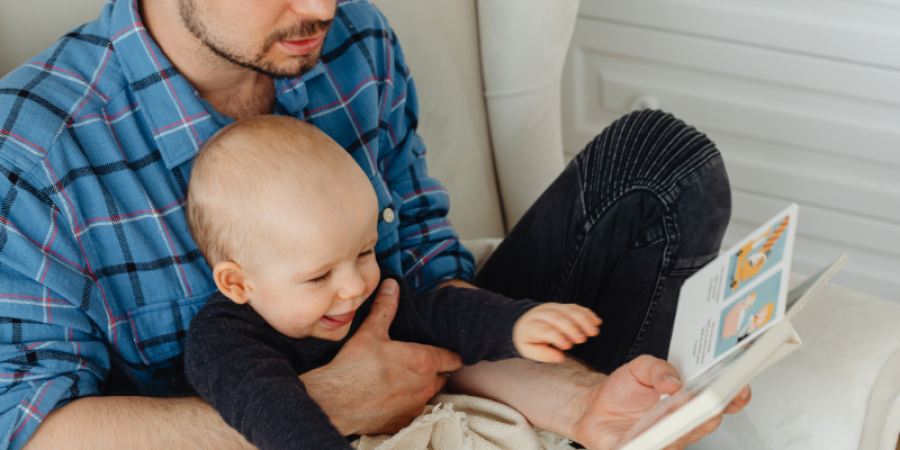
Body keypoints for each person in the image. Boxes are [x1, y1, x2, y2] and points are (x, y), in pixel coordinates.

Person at [0, 0, 749, 449]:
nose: (322, 8)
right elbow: (25, 428)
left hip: (424, 369)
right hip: (252, 431)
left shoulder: (350, 41)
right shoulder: (34, 150)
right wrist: (331, 401)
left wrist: (579, 401)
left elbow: (420, 279)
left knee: (658, 165)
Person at [182, 115, 604, 449]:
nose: (354, 286)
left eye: (365, 252)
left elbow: (442, 316)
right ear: (238, 283)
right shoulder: (222, 342)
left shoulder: (364, 299)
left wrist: (515, 324)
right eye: (319, 276)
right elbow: (269, 409)